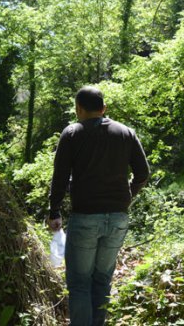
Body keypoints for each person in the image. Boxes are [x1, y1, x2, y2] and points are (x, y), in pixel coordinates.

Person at [47, 86, 150, 326]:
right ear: (104, 109)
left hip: (85, 218)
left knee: (80, 282)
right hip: (118, 218)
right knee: (102, 279)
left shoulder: (72, 133)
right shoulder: (126, 132)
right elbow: (143, 174)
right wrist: (127, 196)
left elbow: (60, 177)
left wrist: (54, 211)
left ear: (78, 109)